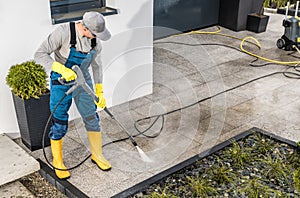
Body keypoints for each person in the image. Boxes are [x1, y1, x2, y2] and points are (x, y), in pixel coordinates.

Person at [34, 11, 111, 179]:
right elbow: (39, 54)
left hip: (83, 80)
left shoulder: (95, 42)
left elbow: (97, 66)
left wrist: (99, 89)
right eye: (94, 34)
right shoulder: (62, 33)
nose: (96, 38)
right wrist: (60, 68)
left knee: (91, 117)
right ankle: (58, 162)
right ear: (84, 27)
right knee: (60, 120)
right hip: (61, 82)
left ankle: (97, 155)